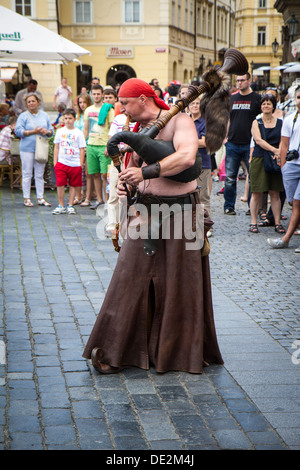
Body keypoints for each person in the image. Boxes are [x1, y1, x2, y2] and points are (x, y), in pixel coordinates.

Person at [82, 77, 223, 374]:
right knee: (128, 279)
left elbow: (186, 158)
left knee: (180, 284)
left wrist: (145, 171)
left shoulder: (179, 120)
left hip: (181, 215)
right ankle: (116, 349)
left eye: (126, 102)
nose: (122, 108)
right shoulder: (137, 129)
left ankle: (179, 354)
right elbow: (132, 172)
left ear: (143, 99)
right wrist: (128, 185)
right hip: (143, 214)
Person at [267, 85, 300, 253]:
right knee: (292, 201)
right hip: (292, 165)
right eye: (299, 97)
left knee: (297, 202)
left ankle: (286, 238)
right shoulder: (290, 119)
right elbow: (284, 143)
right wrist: (283, 165)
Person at [223, 72, 261, 215]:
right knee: (230, 178)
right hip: (232, 143)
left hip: (250, 144)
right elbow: (228, 119)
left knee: (252, 177)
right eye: (238, 80)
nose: (239, 83)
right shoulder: (232, 98)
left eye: (242, 80)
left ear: (249, 81)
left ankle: (252, 207)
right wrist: (225, 137)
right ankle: (229, 206)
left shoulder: (257, 98)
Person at [248, 94, 284, 233]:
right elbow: (258, 140)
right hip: (259, 158)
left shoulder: (280, 123)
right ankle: (253, 222)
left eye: (268, 103)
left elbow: (283, 139)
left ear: (273, 106)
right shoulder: (256, 122)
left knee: (275, 192)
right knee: (256, 192)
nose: (266, 106)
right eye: (264, 104)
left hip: (275, 159)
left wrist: (279, 152)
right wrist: (275, 150)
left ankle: (277, 223)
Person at [15, 92, 53, 207]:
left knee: (40, 174)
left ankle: (40, 197)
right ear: (26, 104)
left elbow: (51, 130)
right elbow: (18, 131)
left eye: (33, 101)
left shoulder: (44, 115)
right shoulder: (23, 116)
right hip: (27, 148)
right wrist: (33, 132)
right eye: (29, 102)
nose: (31, 103)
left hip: (40, 148)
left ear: (38, 102)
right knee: (27, 173)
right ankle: (26, 198)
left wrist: (47, 132)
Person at [83, 84, 115, 208]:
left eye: (98, 94)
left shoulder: (108, 109)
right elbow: (85, 128)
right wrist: (83, 144)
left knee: (104, 174)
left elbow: (112, 128)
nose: (96, 96)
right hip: (91, 144)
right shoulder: (88, 110)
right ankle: (100, 200)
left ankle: (108, 200)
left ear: (102, 95)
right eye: (94, 94)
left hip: (103, 145)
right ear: (91, 95)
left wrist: (109, 145)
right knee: (94, 173)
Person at [52, 108, 86, 215]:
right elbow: (56, 147)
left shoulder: (78, 133)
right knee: (60, 184)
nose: (68, 120)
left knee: (73, 185)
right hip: (62, 162)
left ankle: (70, 204)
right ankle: (61, 205)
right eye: (65, 118)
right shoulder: (60, 131)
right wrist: (55, 162)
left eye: (70, 118)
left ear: (74, 119)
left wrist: (80, 163)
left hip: (75, 163)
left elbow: (82, 149)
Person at [189, 96, 212, 227]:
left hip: (203, 163)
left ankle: (207, 225)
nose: (195, 106)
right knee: (190, 197)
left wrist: (186, 142)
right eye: (192, 103)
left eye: (198, 103)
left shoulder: (204, 122)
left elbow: (204, 142)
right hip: (187, 163)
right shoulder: (186, 120)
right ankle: (193, 224)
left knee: (202, 196)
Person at [74, 92, 93, 205]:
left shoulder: (90, 114)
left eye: (84, 102)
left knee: (87, 172)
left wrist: (85, 145)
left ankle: (87, 194)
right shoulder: (77, 116)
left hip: (87, 145)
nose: (82, 105)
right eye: (80, 102)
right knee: (79, 171)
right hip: (77, 147)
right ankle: (80, 193)